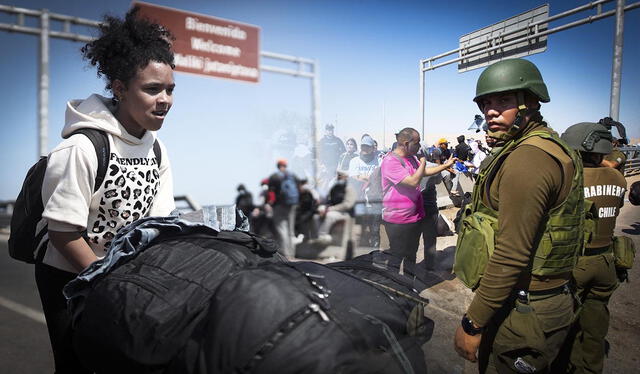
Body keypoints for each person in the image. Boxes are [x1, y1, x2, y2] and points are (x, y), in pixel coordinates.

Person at [36, 8, 176, 373]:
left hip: (123, 277)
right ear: (119, 87)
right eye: (152, 89)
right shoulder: (81, 148)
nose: (165, 99)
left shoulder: (157, 149)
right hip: (69, 275)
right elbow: (64, 233)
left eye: (170, 89)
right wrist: (105, 281)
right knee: (78, 365)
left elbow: (158, 225)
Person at [453, 58, 584, 374]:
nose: (491, 111)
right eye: (486, 103)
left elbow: (512, 253)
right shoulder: (540, 146)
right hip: (534, 301)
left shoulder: (529, 158)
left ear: (530, 102)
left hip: (525, 307)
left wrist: (473, 322)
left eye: (503, 100)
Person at [560, 122, 627, 374]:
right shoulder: (618, 177)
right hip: (606, 262)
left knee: (560, 326)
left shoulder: (570, 178)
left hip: (574, 264)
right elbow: (615, 207)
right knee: (595, 326)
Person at [381, 128, 454, 264]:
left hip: (414, 217)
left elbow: (423, 172)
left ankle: (409, 284)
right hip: (398, 220)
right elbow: (413, 181)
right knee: (397, 257)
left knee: (411, 256)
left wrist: (445, 166)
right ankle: (396, 284)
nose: (419, 146)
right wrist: (423, 161)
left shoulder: (410, 158)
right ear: (406, 143)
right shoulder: (391, 161)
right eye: (417, 143)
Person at [348, 134, 382, 248]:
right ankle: (361, 257)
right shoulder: (354, 161)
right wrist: (370, 177)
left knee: (375, 230)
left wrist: (362, 176)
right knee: (360, 229)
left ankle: (375, 254)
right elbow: (353, 178)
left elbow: (380, 178)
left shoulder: (379, 161)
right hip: (359, 199)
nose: (365, 149)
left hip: (375, 200)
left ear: (373, 148)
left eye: (368, 147)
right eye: (363, 146)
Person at [316, 170, 357, 245]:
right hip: (334, 210)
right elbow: (328, 200)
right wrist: (324, 208)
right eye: (338, 176)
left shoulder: (349, 188)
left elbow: (347, 205)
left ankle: (322, 236)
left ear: (345, 177)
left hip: (346, 213)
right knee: (316, 216)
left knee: (329, 216)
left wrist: (330, 209)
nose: (339, 178)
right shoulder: (335, 188)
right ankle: (315, 237)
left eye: (341, 176)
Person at [268, 159, 300, 257]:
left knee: (282, 229)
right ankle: (292, 253)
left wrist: (270, 204)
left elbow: (271, 193)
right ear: (286, 165)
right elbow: (299, 186)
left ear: (277, 166)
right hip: (293, 204)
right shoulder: (292, 175)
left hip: (279, 205)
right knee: (291, 230)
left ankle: (286, 254)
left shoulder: (274, 177)